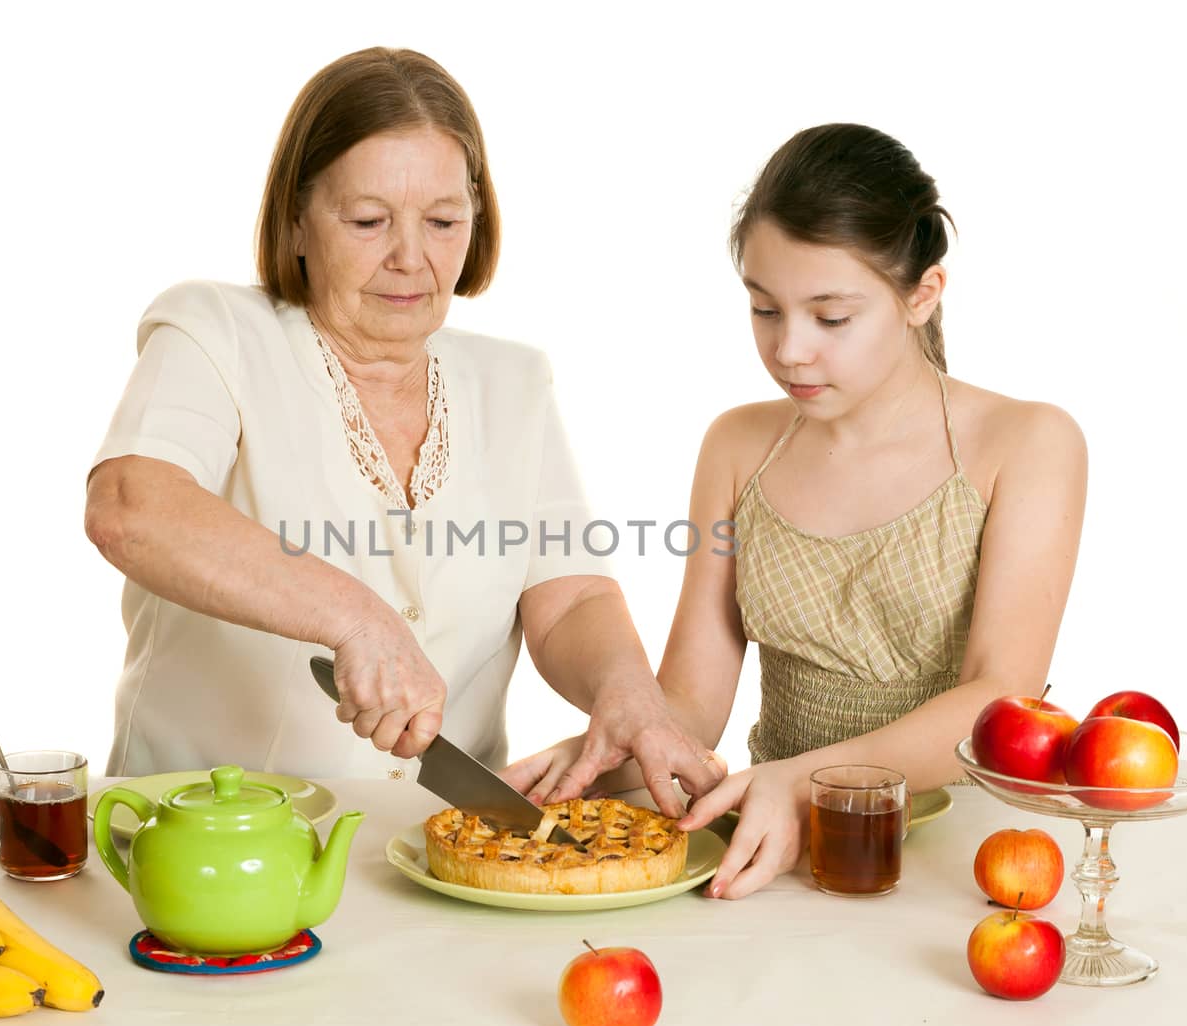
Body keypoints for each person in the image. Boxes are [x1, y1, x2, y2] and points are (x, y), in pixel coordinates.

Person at [83, 47, 721, 812]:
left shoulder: (512, 383)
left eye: (444, 221)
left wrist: (627, 689)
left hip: (441, 839)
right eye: (368, 220)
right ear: (295, 221)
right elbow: (131, 507)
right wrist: (355, 617)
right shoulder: (214, 332)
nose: (410, 258)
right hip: (204, 843)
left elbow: (572, 596)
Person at [504, 124, 1087, 895]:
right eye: (764, 309)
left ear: (923, 294)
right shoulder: (737, 446)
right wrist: (605, 751)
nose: (790, 350)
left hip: (970, 859)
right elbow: (695, 705)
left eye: (831, 317)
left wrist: (800, 778)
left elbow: (997, 698)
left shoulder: (1028, 443)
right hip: (784, 849)